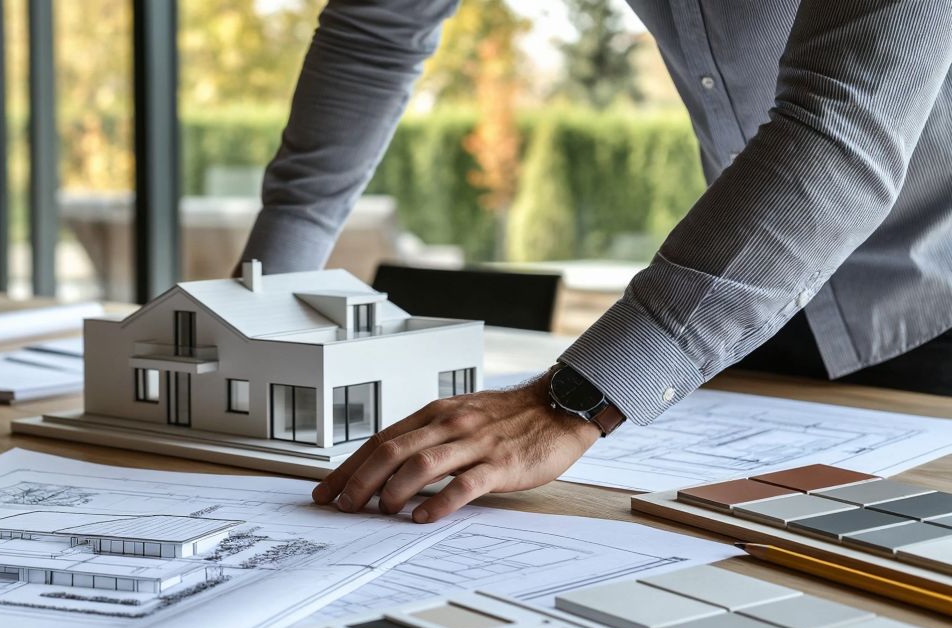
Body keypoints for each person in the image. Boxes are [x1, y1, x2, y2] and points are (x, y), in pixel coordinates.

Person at [237, 1, 952, 524]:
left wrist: (571, 401)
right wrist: (254, 312)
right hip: (753, 303)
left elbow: (843, 120)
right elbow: (374, 35)